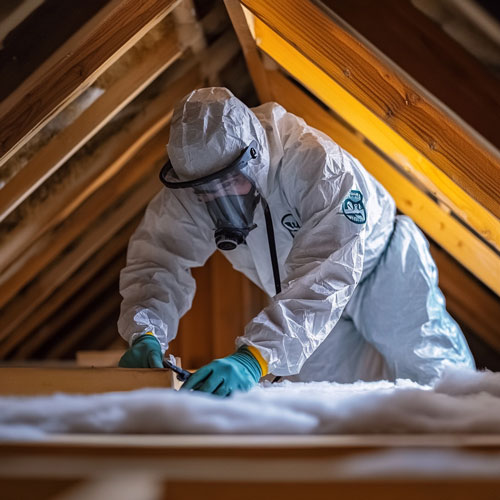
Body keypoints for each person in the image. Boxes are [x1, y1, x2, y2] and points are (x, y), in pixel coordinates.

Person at [117, 87, 474, 396]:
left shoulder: (315, 162)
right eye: (206, 191)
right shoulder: (195, 188)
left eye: (229, 183)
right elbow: (157, 259)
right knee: (335, 400)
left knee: (436, 377)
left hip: (380, 269)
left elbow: (330, 269)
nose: (218, 198)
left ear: (253, 157)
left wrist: (254, 357)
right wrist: (145, 330)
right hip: (298, 297)